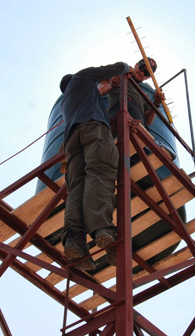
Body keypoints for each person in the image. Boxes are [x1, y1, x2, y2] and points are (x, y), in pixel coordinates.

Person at [59, 61, 132, 270]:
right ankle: (102, 230)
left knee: (76, 187)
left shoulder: (67, 102)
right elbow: (111, 69)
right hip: (92, 128)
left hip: (71, 141)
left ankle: (74, 240)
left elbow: (101, 90)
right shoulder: (81, 77)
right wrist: (126, 68)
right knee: (100, 173)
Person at [101, 58, 165, 128]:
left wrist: (156, 104)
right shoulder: (120, 75)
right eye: (142, 67)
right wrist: (113, 85)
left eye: (146, 73)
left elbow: (147, 122)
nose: (142, 73)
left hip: (138, 122)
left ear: (148, 77)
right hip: (119, 111)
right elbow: (100, 90)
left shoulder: (145, 95)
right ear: (136, 65)